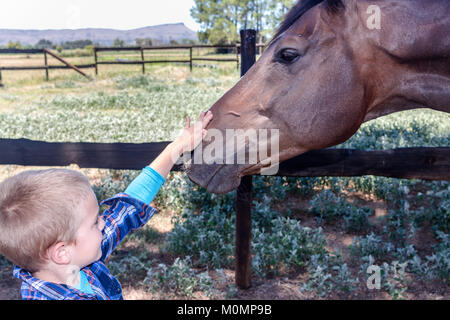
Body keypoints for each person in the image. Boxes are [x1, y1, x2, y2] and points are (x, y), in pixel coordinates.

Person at [0, 110, 213, 300]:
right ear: (61, 252)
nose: (103, 223)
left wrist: (178, 147)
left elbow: (129, 204)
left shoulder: (72, 259)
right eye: (94, 222)